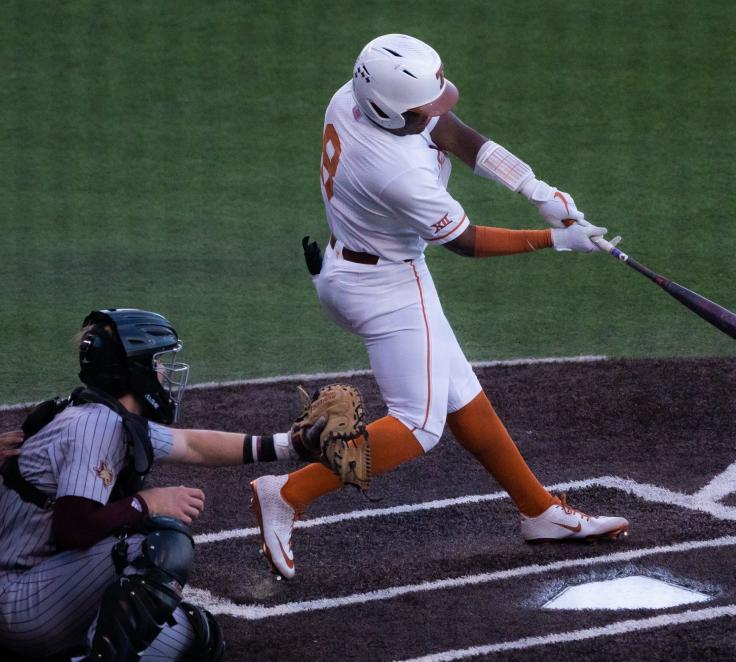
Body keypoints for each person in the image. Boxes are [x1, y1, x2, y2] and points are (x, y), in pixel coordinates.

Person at [251, 34, 629, 580]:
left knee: (462, 395)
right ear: (390, 106)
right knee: (418, 427)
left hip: (352, 266)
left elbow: (449, 130)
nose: (436, 110)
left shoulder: (354, 98)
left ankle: (538, 510)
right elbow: (465, 241)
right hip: (386, 287)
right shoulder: (397, 174)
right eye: (423, 104)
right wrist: (557, 241)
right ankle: (287, 491)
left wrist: (536, 188)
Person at [0, 309, 309, 661]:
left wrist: (292, 445)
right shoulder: (93, 426)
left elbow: (194, 445)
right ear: (133, 369)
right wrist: (146, 503)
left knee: (197, 638)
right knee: (158, 541)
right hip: (20, 599)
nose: (164, 372)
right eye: (158, 362)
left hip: (49, 586)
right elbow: (73, 528)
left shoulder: (106, 417)